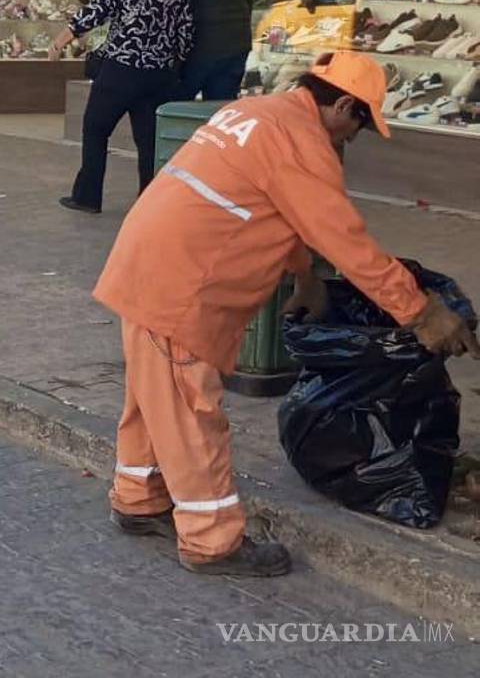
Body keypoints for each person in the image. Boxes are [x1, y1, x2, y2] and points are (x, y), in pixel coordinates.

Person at [92, 50, 479, 577]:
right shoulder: (303, 143)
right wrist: (421, 313)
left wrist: (305, 276)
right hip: (181, 288)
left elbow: (276, 209)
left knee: (152, 398)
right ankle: (211, 540)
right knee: (190, 414)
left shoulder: (259, 112)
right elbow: (345, 240)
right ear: (342, 106)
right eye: (359, 125)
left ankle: (137, 498)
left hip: (147, 265)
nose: (352, 139)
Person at [49, 0, 193, 214]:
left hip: (121, 71)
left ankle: (88, 196)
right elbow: (186, 31)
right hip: (158, 75)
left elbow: (95, 13)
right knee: (149, 141)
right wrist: (174, 63)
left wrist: (60, 40)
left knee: (95, 128)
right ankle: (150, 201)